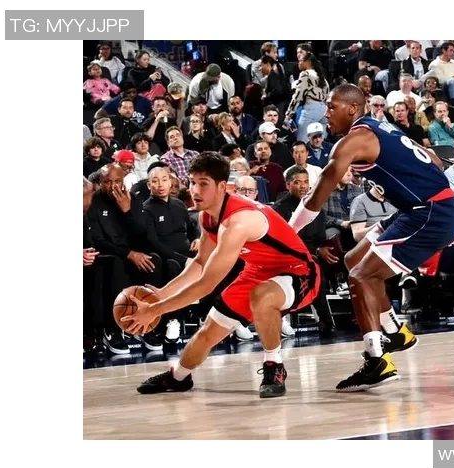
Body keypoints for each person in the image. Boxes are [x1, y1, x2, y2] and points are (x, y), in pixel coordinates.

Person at [289, 84, 454, 391]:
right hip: (420, 208)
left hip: (430, 212)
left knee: (360, 276)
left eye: (331, 107)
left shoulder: (353, 140)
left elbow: (318, 194)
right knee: (353, 258)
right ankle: (395, 332)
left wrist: (289, 233)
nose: (326, 114)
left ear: (352, 109)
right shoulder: (383, 127)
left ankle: (377, 361)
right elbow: (435, 160)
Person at [122, 152, 321, 398]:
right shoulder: (208, 216)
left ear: (222, 186)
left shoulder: (239, 221)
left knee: (262, 295)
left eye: (203, 184)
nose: (195, 190)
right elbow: (200, 263)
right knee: (208, 331)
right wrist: (162, 293)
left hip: (299, 272)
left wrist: (155, 309)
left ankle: (274, 364)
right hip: (257, 272)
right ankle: (179, 376)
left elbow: (207, 283)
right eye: (192, 182)